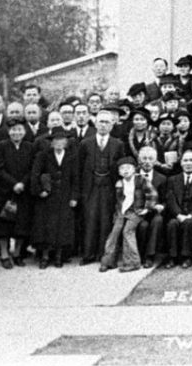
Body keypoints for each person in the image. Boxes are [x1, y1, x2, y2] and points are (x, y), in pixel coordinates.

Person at [77, 108, 126, 265]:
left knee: (106, 219)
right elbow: (79, 167)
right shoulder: (85, 143)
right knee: (90, 219)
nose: (103, 125)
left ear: (112, 125)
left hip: (108, 187)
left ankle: (103, 253)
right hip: (90, 186)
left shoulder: (118, 144)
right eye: (101, 122)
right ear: (95, 123)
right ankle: (88, 254)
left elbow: (121, 166)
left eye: (107, 122)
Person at [31, 128, 78, 268]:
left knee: (62, 227)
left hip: (64, 196)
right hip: (47, 198)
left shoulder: (72, 156)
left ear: (66, 142)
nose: (59, 143)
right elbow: (35, 174)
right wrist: (40, 191)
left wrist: (74, 197)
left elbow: (76, 178)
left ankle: (59, 256)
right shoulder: (43, 155)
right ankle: (45, 256)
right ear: (51, 143)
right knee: (46, 227)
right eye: (55, 140)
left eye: (62, 140)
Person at [0, 117, 35, 268]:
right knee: (3, 225)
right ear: (9, 131)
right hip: (5, 191)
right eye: (13, 130)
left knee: (21, 224)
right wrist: (13, 183)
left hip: (23, 191)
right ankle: (4, 254)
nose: (16, 133)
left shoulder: (30, 146)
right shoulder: (0, 146)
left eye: (19, 130)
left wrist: (22, 183)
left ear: (24, 131)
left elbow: (32, 168)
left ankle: (17, 253)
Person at [164, 150, 192, 269]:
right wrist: (178, 214)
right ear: (181, 163)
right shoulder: (173, 180)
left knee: (189, 223)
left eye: (191, 160)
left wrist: (191, 214)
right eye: (185, 160)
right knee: (172, 224)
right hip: (178, 214)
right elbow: (170, 200)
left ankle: (186, 256)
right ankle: (172, 257)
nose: (188, 163)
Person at [135, 146, 168, 268]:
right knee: (143, 226)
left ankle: (150, 255)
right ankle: (141, 255)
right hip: (138, 211)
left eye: (150, 158)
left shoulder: (162, 178)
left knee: (158, 221)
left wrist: (161, 206)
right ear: (139, 160)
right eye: (144, 158)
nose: (147, 161)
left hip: (155, 212)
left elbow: (165, 200)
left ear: (155, 161)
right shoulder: (134, 176)